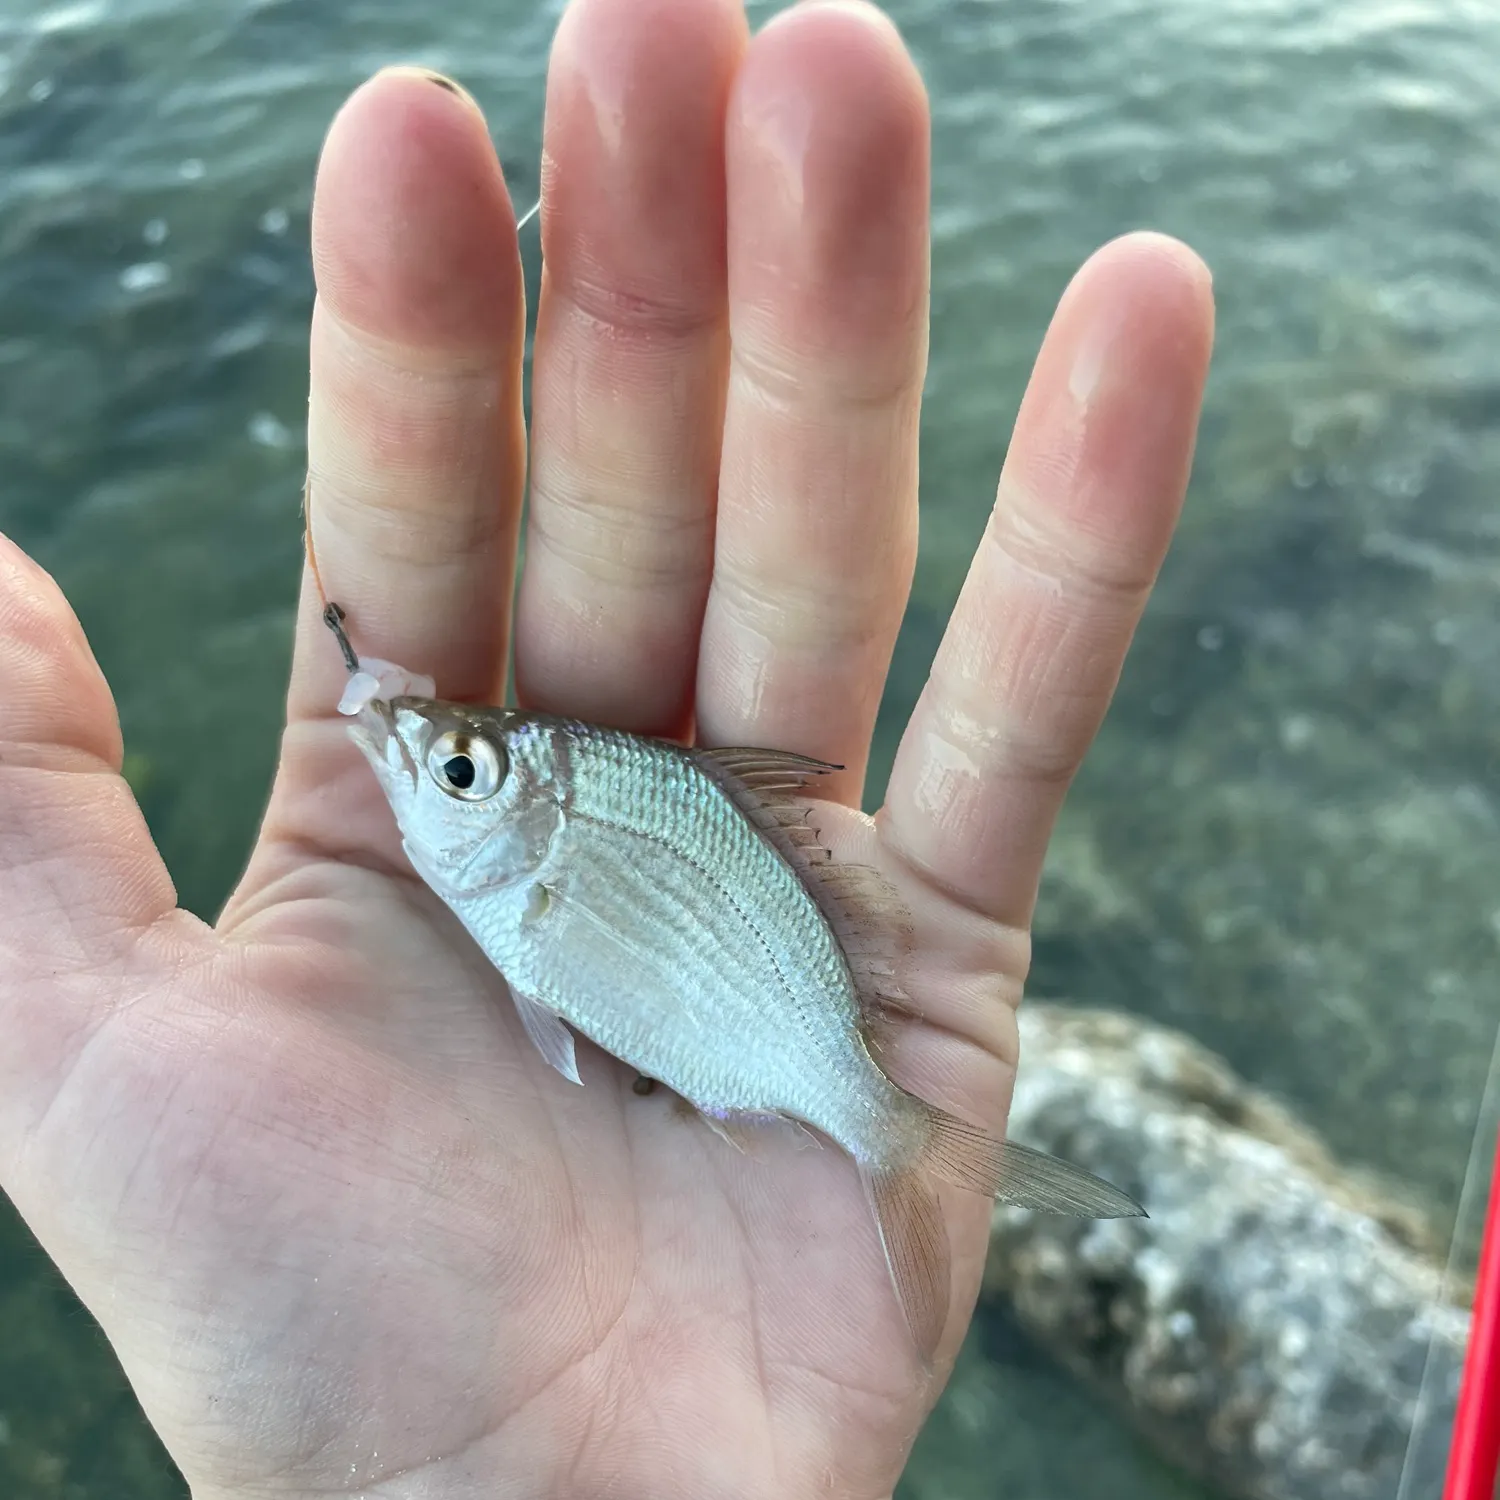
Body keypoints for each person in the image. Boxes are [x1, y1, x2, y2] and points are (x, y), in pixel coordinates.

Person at [0, 0, 1214, 1494]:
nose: (430, 772)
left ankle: (890, 1138)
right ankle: (888, 1134)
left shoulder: (538, 879)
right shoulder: (515, 877)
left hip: (785, 1037)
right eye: (457, 765)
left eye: (460, 772)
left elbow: (581, 975)